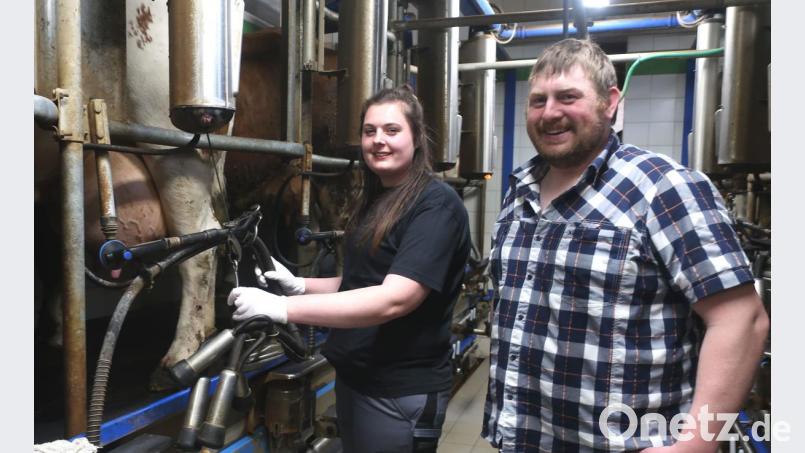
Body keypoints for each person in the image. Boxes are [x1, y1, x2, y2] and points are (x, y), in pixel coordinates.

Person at [482, 38, 769, 452]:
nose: (550, 113)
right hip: (524, 439)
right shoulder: (518, 192)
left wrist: (696, 444)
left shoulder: (662, 186)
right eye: (538, 100)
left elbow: (742, 320)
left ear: (609, 102)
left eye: (568, 97)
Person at [227, 86, 471, 452]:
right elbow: (363, 282)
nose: (378, 140)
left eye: (392, 130)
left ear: (417, 138)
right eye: (369, 131)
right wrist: (301, 285)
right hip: (358, 378)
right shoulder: (378, 200)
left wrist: (282, 308)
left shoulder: (435, 206)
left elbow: (394, 299)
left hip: (398, 390)